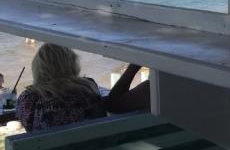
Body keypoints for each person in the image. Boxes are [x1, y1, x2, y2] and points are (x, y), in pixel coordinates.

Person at [15, 44, 149, 132]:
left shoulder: (29, 98)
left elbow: (30, 128)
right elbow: (112, 104)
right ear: (72, 63)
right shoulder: (88, 87)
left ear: (38, 68)